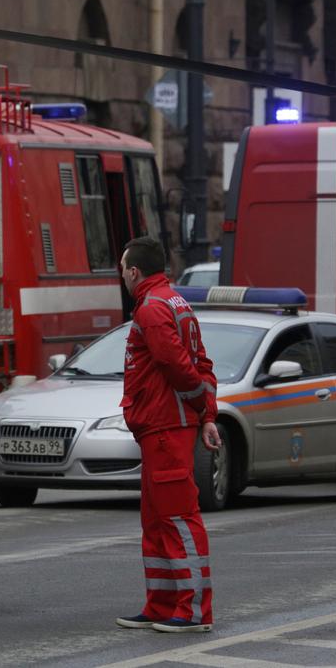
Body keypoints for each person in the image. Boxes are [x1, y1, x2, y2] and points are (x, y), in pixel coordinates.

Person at [114, 237, 220, 634]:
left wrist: (199, 408)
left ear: (134, 271)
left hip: (164, 427)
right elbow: (203, 363)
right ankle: (160, 605)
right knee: (157, 521)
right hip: (160, 428)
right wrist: (206, 413)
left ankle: (193, 611)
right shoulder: (175, 303)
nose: (122, 276)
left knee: (176, 519)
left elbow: (178, 365)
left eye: (122, 269)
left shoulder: (152, 308)